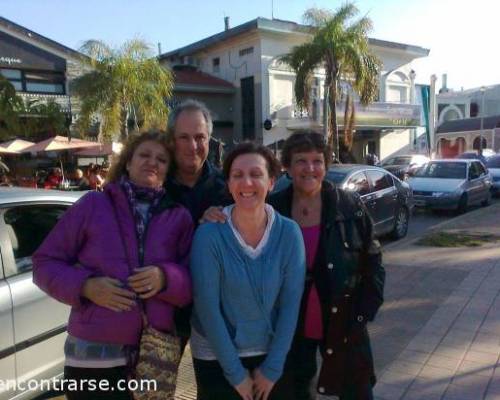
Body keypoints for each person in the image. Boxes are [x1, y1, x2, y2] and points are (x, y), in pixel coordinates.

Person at [32, 131, 194, 399]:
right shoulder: (93, 205)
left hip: (152, 358)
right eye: (144, 155)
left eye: (161, 159)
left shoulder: (180, 217)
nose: (152, 162)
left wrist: (166, 278)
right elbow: (44, 263)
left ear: (168, 170)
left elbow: (193, 282)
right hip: (92, 358)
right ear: (128, 163)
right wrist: (84, 286)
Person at [269, 131, 385, 400]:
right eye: (301, 161)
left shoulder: (349, 205)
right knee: (292, 392)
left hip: (343, 318)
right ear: (287, 166)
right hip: (289, 323)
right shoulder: (272, 209)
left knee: (356, 391)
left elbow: (373, 260)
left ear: (325, 164)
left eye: (317, 161)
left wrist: (363, 313)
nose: (310, 168)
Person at [190, 142, 306, 400]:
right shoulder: (209, 235)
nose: (247, 183)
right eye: (237, 175)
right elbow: (207, 308)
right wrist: (235, 375)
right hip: (216, 355)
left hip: (269, 352)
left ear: (272, 182)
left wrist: (273, 368)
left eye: (256, 174)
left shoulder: (289, 233)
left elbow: (290, 304)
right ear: (229, 184)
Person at [165, 99, 229, 343]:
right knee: (156, 381)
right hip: (167, 310)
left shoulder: (228, 188)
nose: (193, 146)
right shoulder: (154, 189)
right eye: (184, 137)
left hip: (218, 311)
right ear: (171, 141)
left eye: (200, 137)